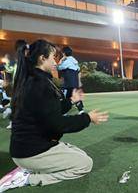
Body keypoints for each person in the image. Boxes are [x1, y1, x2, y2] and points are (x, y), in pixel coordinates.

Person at [0, 40, 109, 192]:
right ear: (42, 58)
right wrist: (88, 118)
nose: (55, 61)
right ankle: (27, 178)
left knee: (79, 154)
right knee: (85, 163)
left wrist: (71, 101)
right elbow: (57, 123)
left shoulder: (33, 80)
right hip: (30, 151)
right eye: (52, 57)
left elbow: (49, 110)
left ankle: (28, 169)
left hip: (27, 148)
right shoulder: (39, 83)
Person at [57, 46, 83, 113]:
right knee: (73, 96)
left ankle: (64, 111)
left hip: (68, 82)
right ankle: (81, 110)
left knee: (65, 97)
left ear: (64, 53)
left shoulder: (67, 60)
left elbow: (59, 68)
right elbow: (78, 70)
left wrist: (61, 60)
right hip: (74, 82)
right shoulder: (74, 61)